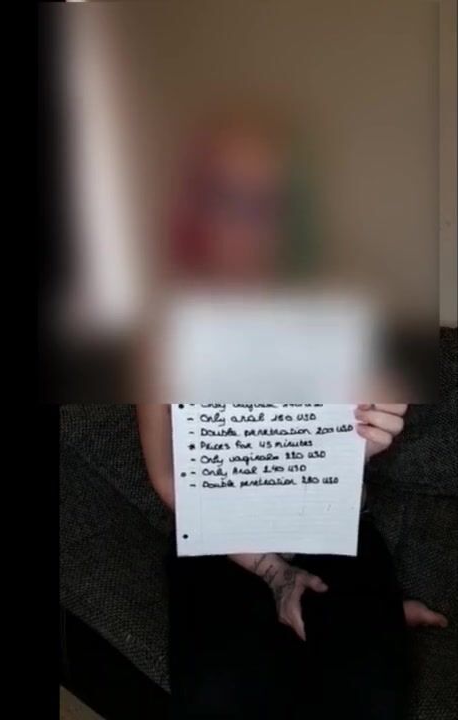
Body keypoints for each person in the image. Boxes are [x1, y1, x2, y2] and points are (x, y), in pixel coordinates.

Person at [136, 108, 447, 719]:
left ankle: (380, 615)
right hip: (216, 536)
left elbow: (340, 456)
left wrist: (365, 441)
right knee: (222, 696)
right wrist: (274, 572)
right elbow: (169, 478)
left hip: (331, 526)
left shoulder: (345, 304)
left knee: (372, 695)